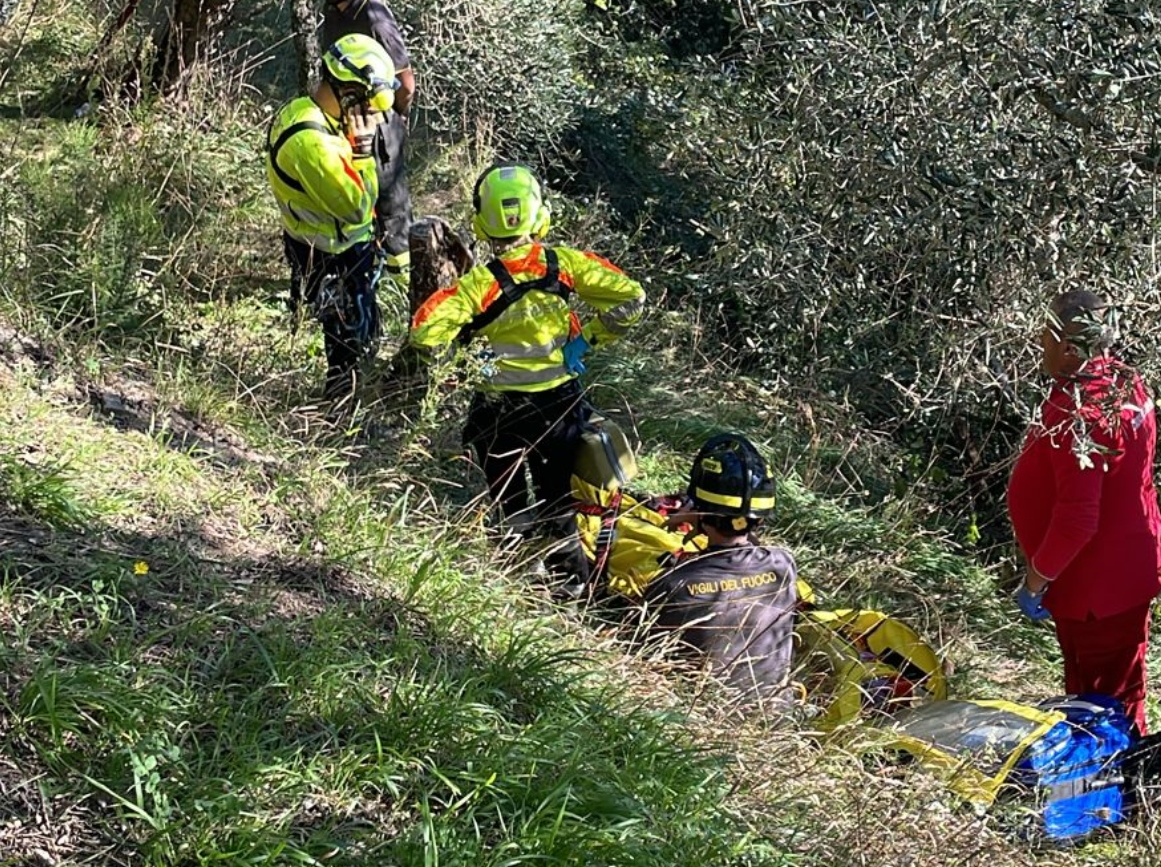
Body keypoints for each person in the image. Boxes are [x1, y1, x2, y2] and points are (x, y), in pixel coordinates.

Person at [410, 164, 645, 584]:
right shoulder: (565, 265)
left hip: (499, 408)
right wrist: (586, 340)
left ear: (482, 223)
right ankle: (572, 585)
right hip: (559, 405)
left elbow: (425, 332)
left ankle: (518, 573)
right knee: (558, 494)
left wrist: (468, 361)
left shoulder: (478, 285)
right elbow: (631, 297)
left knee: (508, 495)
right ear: (541, 215)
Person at [1006, 288, 1161, 735]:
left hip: (1098, 590)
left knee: (1105, 702)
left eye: (1046, 336)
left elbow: (1078, 520)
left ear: (1068, 344)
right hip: (1123, 574)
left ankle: (1117, 791)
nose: (1041, 345)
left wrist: (1035, 581)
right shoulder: (1124, 383)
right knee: (1105, 693)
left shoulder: (1081, 412)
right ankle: (1101, 785)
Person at [266, 34, 397, 401]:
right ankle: (340, 406)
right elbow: (356, 206)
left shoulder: (308, 111)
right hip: (332, 252)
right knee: (346, 339)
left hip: (322, 241)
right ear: (351, 94)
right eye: (370, 105)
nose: (373, 116)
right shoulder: (313, 144)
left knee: (353, 325)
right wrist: (363, 153)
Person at [643, 434, 801, 709]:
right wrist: (711, 517)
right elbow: (745, 543)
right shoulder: (784, 564)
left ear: (701, 513)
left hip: (699, 721)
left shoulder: (673, 584)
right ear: (760, 519)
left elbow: (643, 654)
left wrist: (699, 519)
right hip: (776, 719)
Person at [321, 0, 415, 287]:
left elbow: (405, 82)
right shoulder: (332, 12)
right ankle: (365, 273)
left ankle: (405, 287)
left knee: (391, 205)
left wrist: (393, 118)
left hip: (381, 125)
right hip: (346, 123)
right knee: (356, 196)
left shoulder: (375, 17)